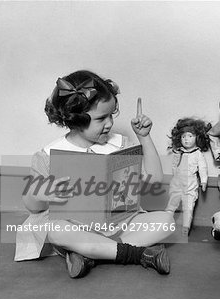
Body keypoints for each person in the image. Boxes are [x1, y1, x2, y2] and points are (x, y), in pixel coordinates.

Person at [16, 70, 175, 278]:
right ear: (76, 119)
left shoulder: (119, 145)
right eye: (101, 118)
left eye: (111, 115)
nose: (109, 123)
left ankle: (91, 254)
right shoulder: (48, 155)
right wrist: (41, 193)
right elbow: (33, 207)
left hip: (120, 224)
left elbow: (154, 179)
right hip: (76, 228)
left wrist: (144, 138)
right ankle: (134, 254)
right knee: (55, 230)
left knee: (167, 221)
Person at [165, 118, 210, 236]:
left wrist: (204, 181)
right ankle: (164, 223)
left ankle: (186, 227)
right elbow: (174, 166)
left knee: (188, 208)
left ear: (197, 138)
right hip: (177, 185)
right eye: (183, 136)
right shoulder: (178, 152)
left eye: (190, 136)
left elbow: (203, 168)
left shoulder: (197, 154)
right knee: (171, 204)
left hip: (190, 186)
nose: (186, 139)